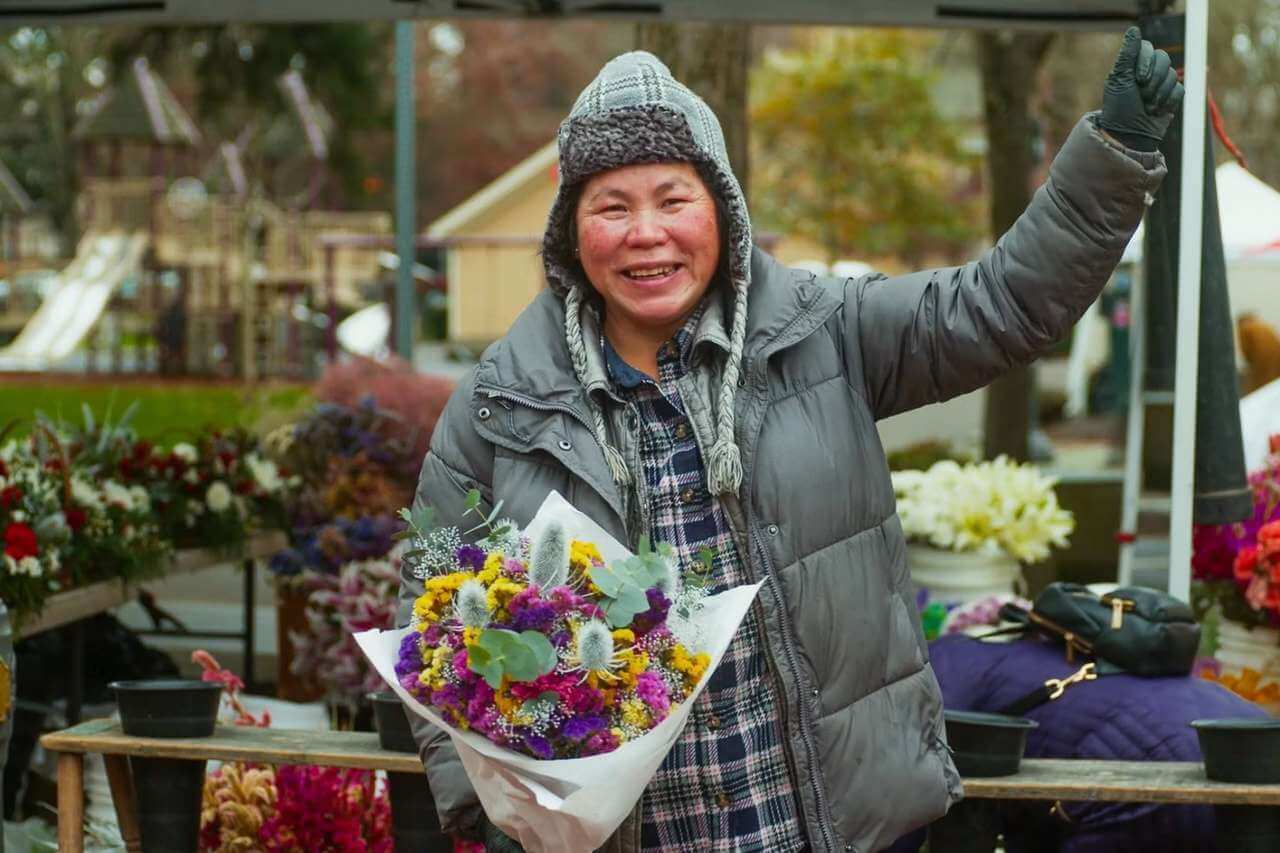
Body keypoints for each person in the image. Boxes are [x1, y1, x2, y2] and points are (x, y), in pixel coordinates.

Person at [399, 26, 1182, 853]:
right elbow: (429, 611)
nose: (646, 233)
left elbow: (1001, 303)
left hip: (825, 827)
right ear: (570, 231)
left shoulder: (825, 331)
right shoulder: (500, 402)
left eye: (673, 198)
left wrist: (1111, 157)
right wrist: (496, 815)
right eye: (612, 207)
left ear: (722, 210)